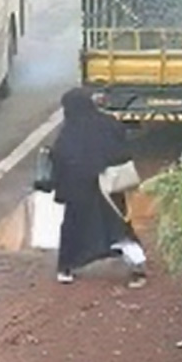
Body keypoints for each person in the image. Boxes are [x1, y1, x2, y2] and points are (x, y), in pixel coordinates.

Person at [50, 87, 147, 286]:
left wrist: (59, 188)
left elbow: (61, 161)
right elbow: (121, 150)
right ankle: (137, 269)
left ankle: (66, 268)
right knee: (119, 228)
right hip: (109, 188)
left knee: (74, 230)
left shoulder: (69, 131)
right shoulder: (109, 124)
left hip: (79, 192)